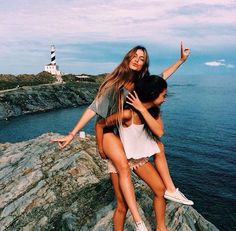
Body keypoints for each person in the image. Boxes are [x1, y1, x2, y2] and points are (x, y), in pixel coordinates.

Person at [52, 43, 191, 230]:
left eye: (142, 59)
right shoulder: (114, 83)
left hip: (131, 144)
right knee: (122, 204)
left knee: (159, 172)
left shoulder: (142, 84)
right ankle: (139, 222)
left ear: (144, 64)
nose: (137, 60)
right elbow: (93, 109)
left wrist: (181, 61)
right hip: (114, 138)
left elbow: (162, 77)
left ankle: (163, 218)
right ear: (128, 57)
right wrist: (72, 134)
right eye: (135, 56)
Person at [96, 75, 171, 230]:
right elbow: (100, 124)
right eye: (164, 95)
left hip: (136, 158)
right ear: (152, 94)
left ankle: (161, 228)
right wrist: (101, 149)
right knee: (123, 205)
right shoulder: (127, 114)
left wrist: (181, 60)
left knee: (160, 190)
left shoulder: (151, 111)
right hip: (120, 158)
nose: (165, 99)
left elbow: (159, 132)